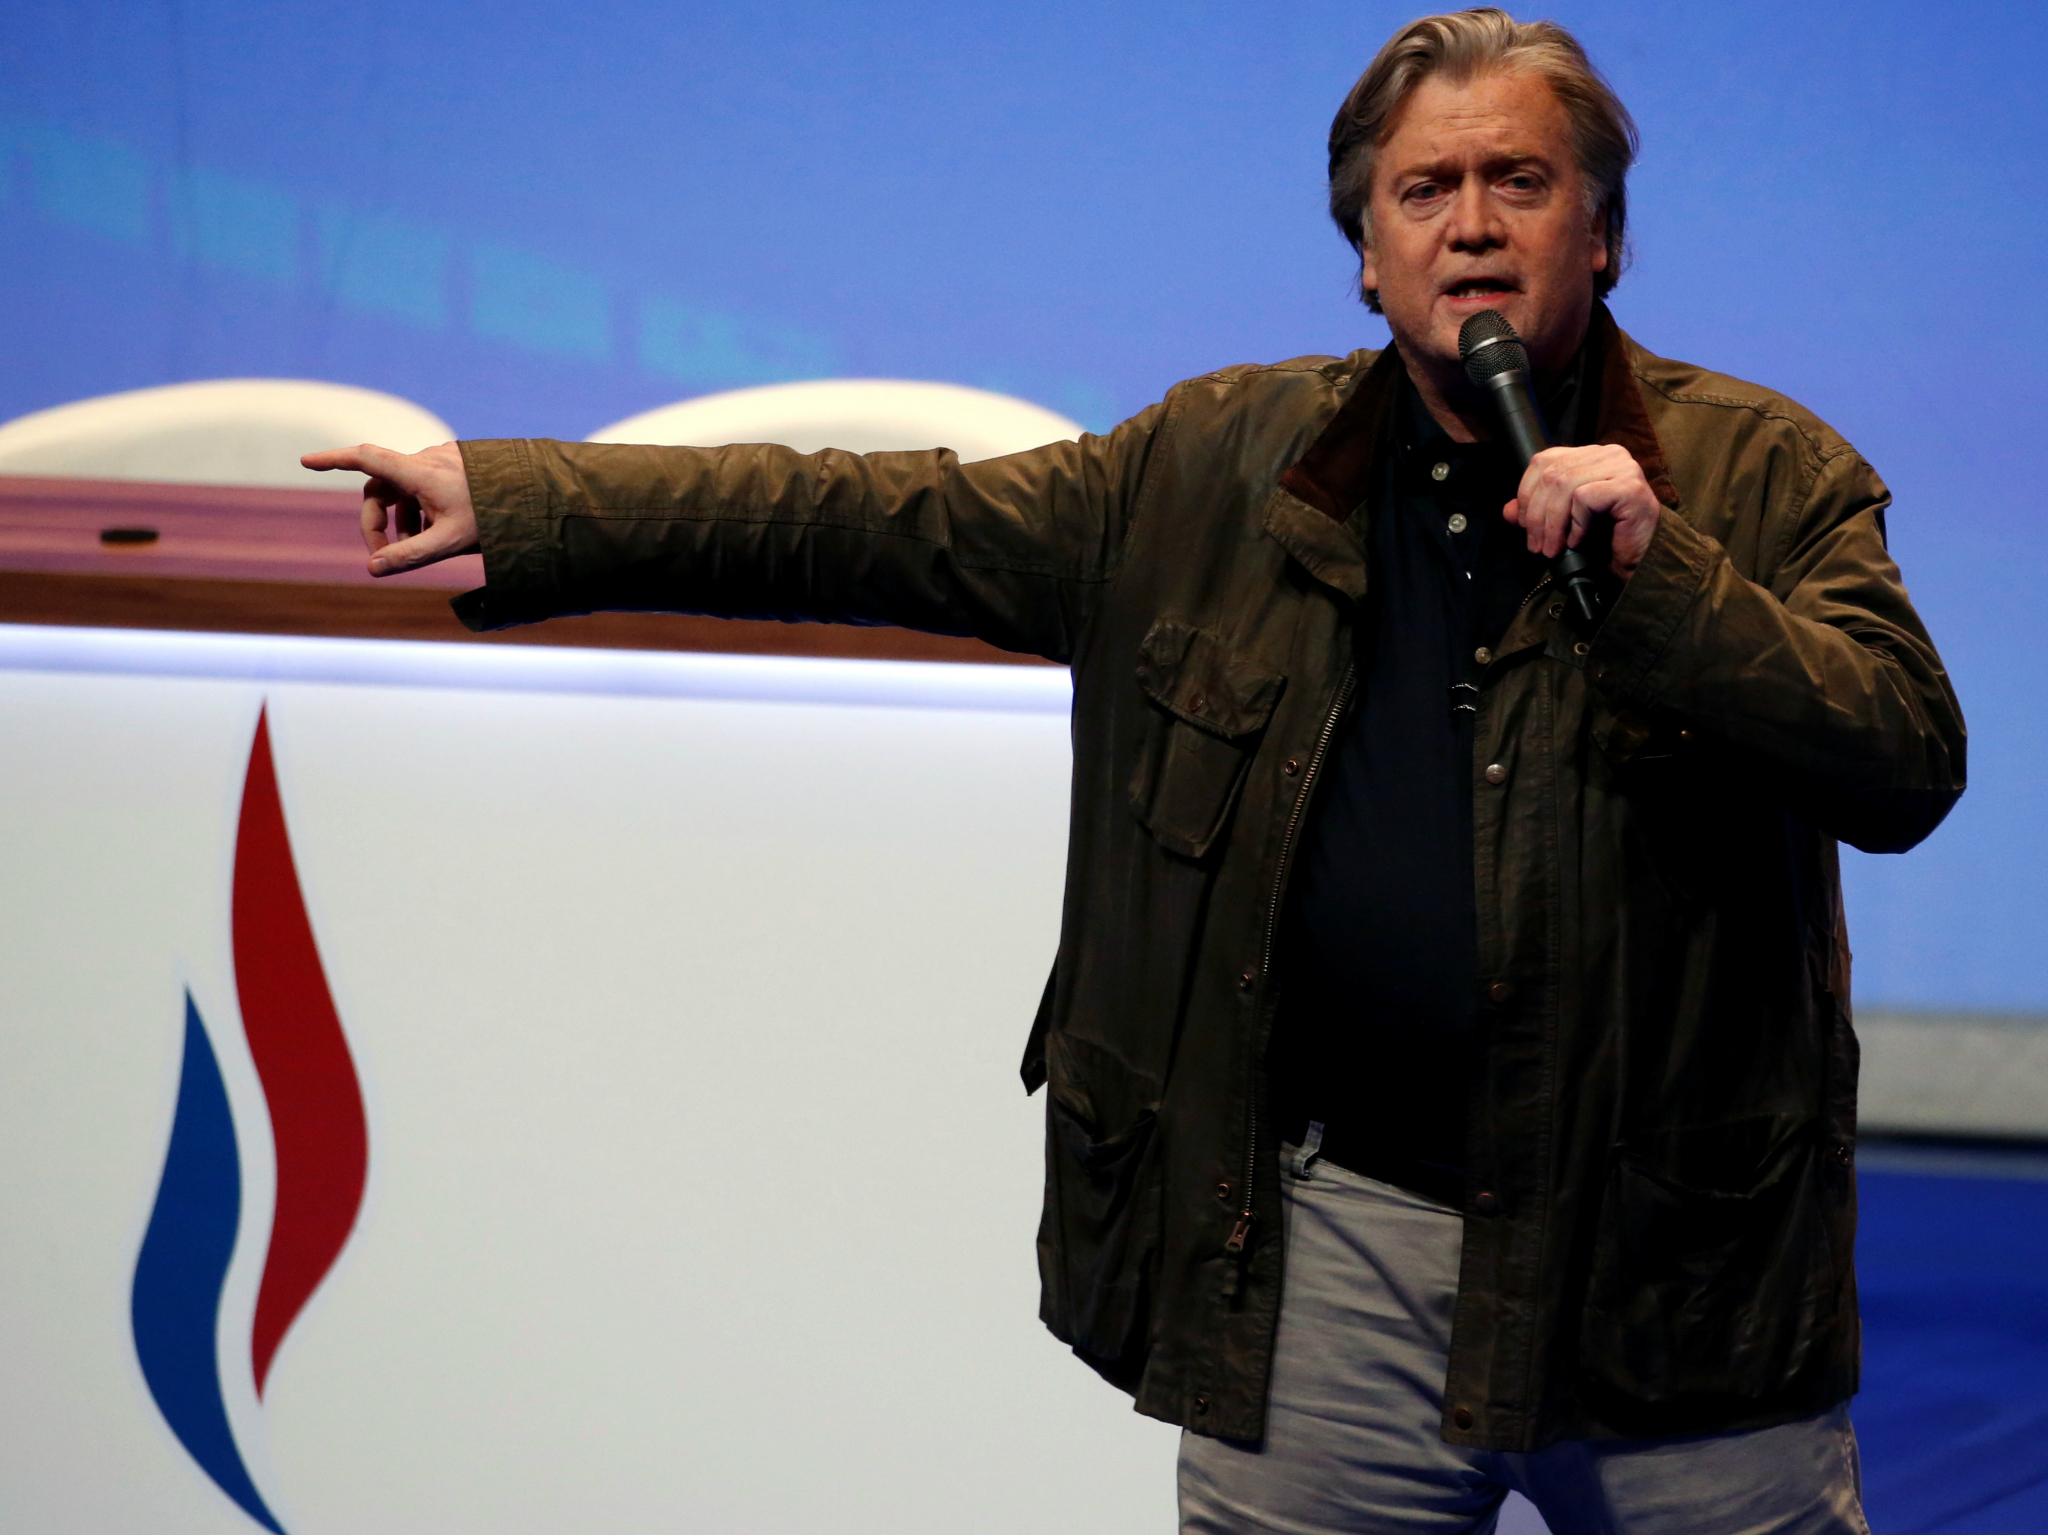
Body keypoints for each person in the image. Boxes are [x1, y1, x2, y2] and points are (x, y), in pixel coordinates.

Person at [305, 9, 1963, 1530]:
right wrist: (521, 500)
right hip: (1332, 1259)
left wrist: (1667, 577)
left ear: (1599, 235)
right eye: (1424, 190)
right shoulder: (1207, 472)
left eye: (1520, 181)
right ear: (1367, 259)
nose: (1471, 223)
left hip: (1673, 1283)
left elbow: (1903, 757)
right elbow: (870, 520)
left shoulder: (1761, 470)